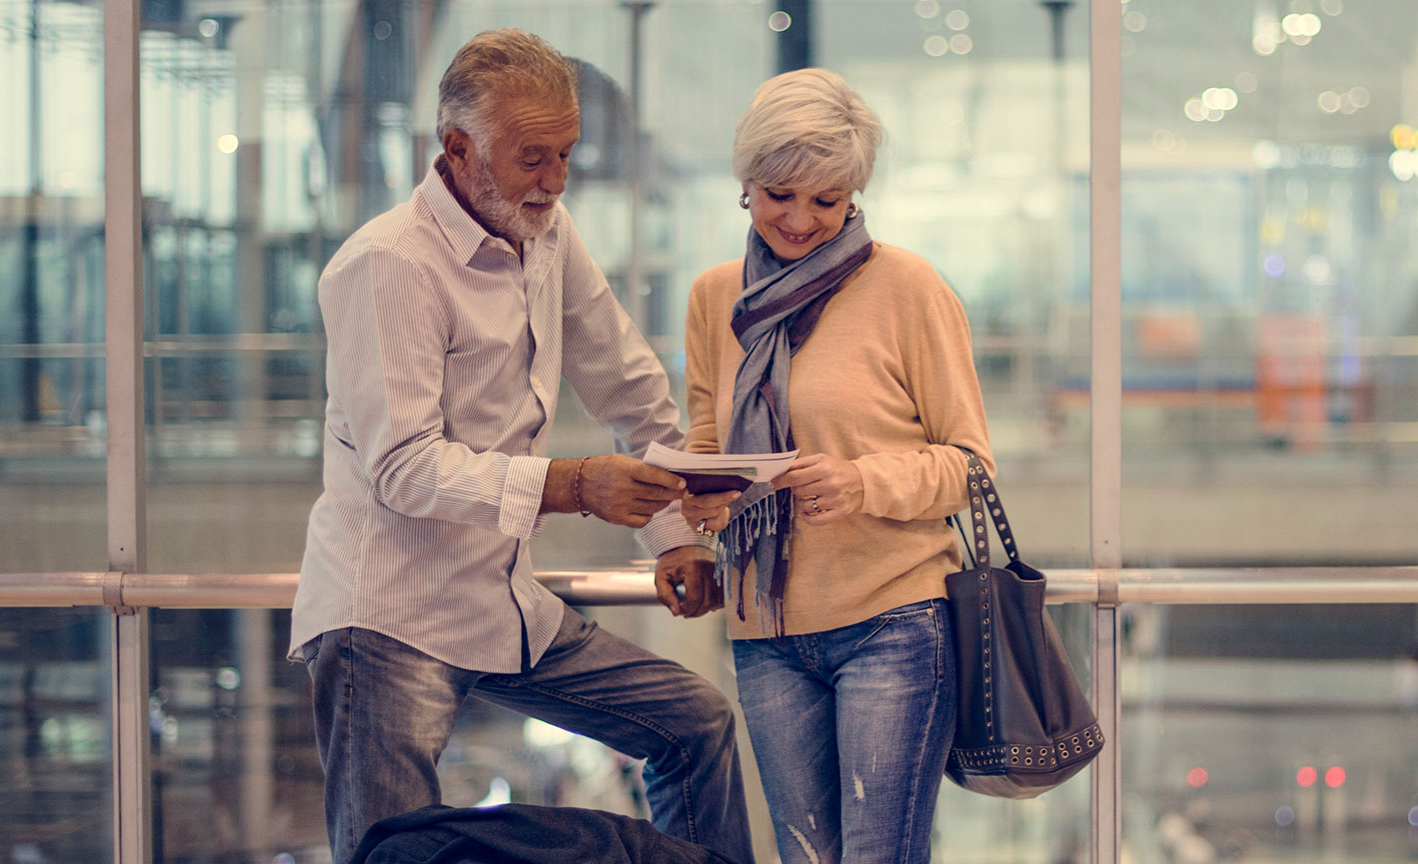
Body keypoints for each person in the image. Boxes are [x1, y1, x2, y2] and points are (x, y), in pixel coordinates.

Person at [289, 29, 752, 864]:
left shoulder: (546, 232)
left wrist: (677, 538)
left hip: (502, 602)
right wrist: (576, 485)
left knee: (696, 723)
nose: (556, 179)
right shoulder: (387, 266)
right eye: (533, 157)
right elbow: (403, 466)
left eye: (567, 154)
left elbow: (626, 381)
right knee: (393, 854)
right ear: (457, 148)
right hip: (389, 616)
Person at [676, 68, 995, 863]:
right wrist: (704, 496)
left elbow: (970, 465)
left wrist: (861, 482)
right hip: (766, 629)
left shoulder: (907, 288)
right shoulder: (716, 298)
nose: (803, 220)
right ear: (745, 184)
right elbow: (710, 442)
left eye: (830, 199)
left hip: (895, 621)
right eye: (782, 193)